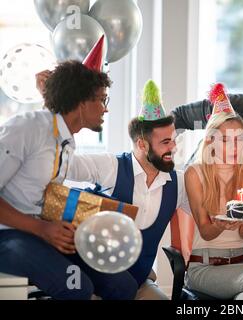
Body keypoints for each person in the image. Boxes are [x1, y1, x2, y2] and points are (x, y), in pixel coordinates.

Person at [0, 60, 138, 300]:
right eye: (102, 99)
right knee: (76, 287)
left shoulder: (64, 139)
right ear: (82, 101)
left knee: (123, 285)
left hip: (39, 229)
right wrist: (42, 229)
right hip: (8, 234)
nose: (106, 109)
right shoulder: (26, 128)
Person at [66, 79, 191, 299]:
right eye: (166, 142)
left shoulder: (177, 183)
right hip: (93, 276)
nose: (174, 147)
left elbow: (205, 216)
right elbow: (65, 165)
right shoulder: (112, 167)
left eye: (174, 140)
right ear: (142, 144)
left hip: (137, 281)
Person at [184, 83, 243, 300]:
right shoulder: (195, 173)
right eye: (226, 140)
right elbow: (206, 232)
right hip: (205, 267)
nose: (235, 147)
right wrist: (220, 223)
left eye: (239, 139)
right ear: (211, 141)